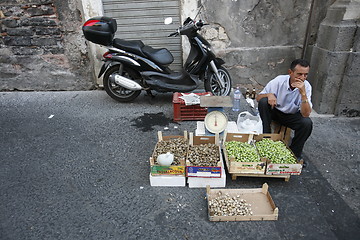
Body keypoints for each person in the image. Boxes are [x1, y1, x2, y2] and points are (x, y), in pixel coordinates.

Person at [256, 59, 313, 166]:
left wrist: (303, 94)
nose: (302, 78)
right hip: (276, 111)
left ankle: (295, 153)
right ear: (290, 72)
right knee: (263, 102)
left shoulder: (307, 87)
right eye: (299, 74)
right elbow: (258, 97)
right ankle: (266, 138)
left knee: (307, 123)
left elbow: (306, 114)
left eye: (305, 75)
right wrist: (268, 95)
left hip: (292, 115)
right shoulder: (279, 81)